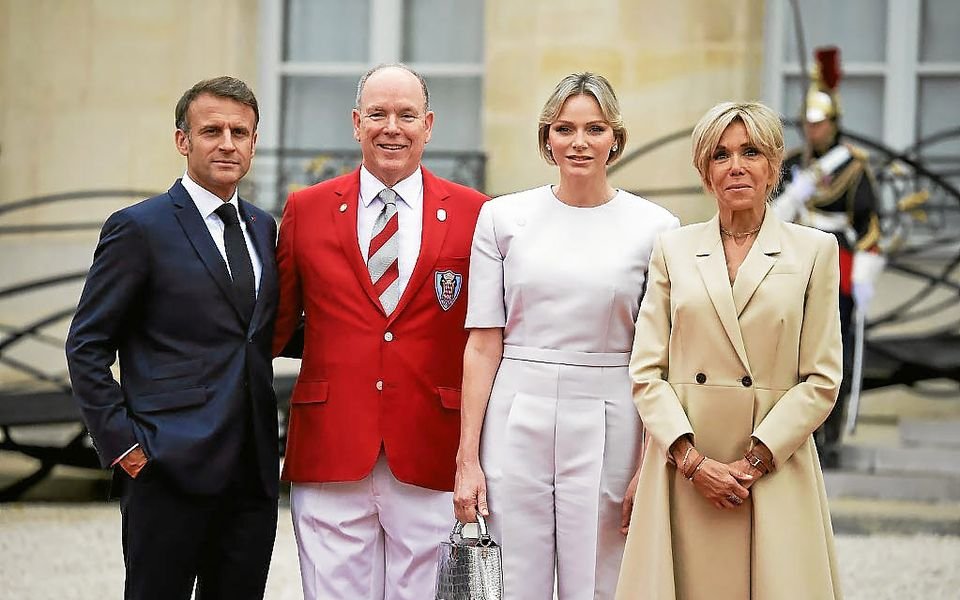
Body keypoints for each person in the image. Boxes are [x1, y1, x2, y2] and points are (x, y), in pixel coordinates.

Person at [453, 72, 680, 599]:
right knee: (512, 578)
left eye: (595, 128)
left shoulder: (656, 227)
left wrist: (650, 462)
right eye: (565, 128)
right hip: (516, 407)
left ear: (615, 139)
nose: (579, 142)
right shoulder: (501, 218)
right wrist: (467, 460)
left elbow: (660, 358)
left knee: (600, 576)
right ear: (546, 138)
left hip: (611, 407)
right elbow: (483, 343)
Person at [272, 63, 488, 600]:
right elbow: (274, 330)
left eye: (406, 115)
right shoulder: (306, 209)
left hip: (431, 449)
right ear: (355, 122)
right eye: (378, 114)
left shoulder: (475, 213)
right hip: (331, 448)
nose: (392, 126)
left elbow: (487, 339)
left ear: (429, 125)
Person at [615, 101, 843, 599]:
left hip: (772, 468)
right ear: (705, 171)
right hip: (685, 469)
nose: (736, 166)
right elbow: (646, 370)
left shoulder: (814, 251)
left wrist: (753, 461)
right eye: (721, 155)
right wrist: (694, 463)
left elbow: (822, 379)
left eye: (751, 152)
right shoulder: (672, 249)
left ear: (774, 167)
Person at [65, 76, 279, 600]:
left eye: (240, 132)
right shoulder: (139, 228)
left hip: (251, 473)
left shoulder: (263, 228)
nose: (227, 143)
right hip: (166, 468)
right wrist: (125, 447)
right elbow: (87, 345)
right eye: (212, 130)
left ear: (254, 143)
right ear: (183, 140)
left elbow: (264, 332)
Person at [774, 46, 884, 466]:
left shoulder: (853, 167)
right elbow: (771, 214)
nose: (811, 130)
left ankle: (830, 436)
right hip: (795, 262)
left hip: (836, 264)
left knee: (831, 352)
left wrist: (865, 275)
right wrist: (794, 194)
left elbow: (869, 224)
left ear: (833, 125)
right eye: (808, 123)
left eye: (818, 124)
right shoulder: (791, 165)